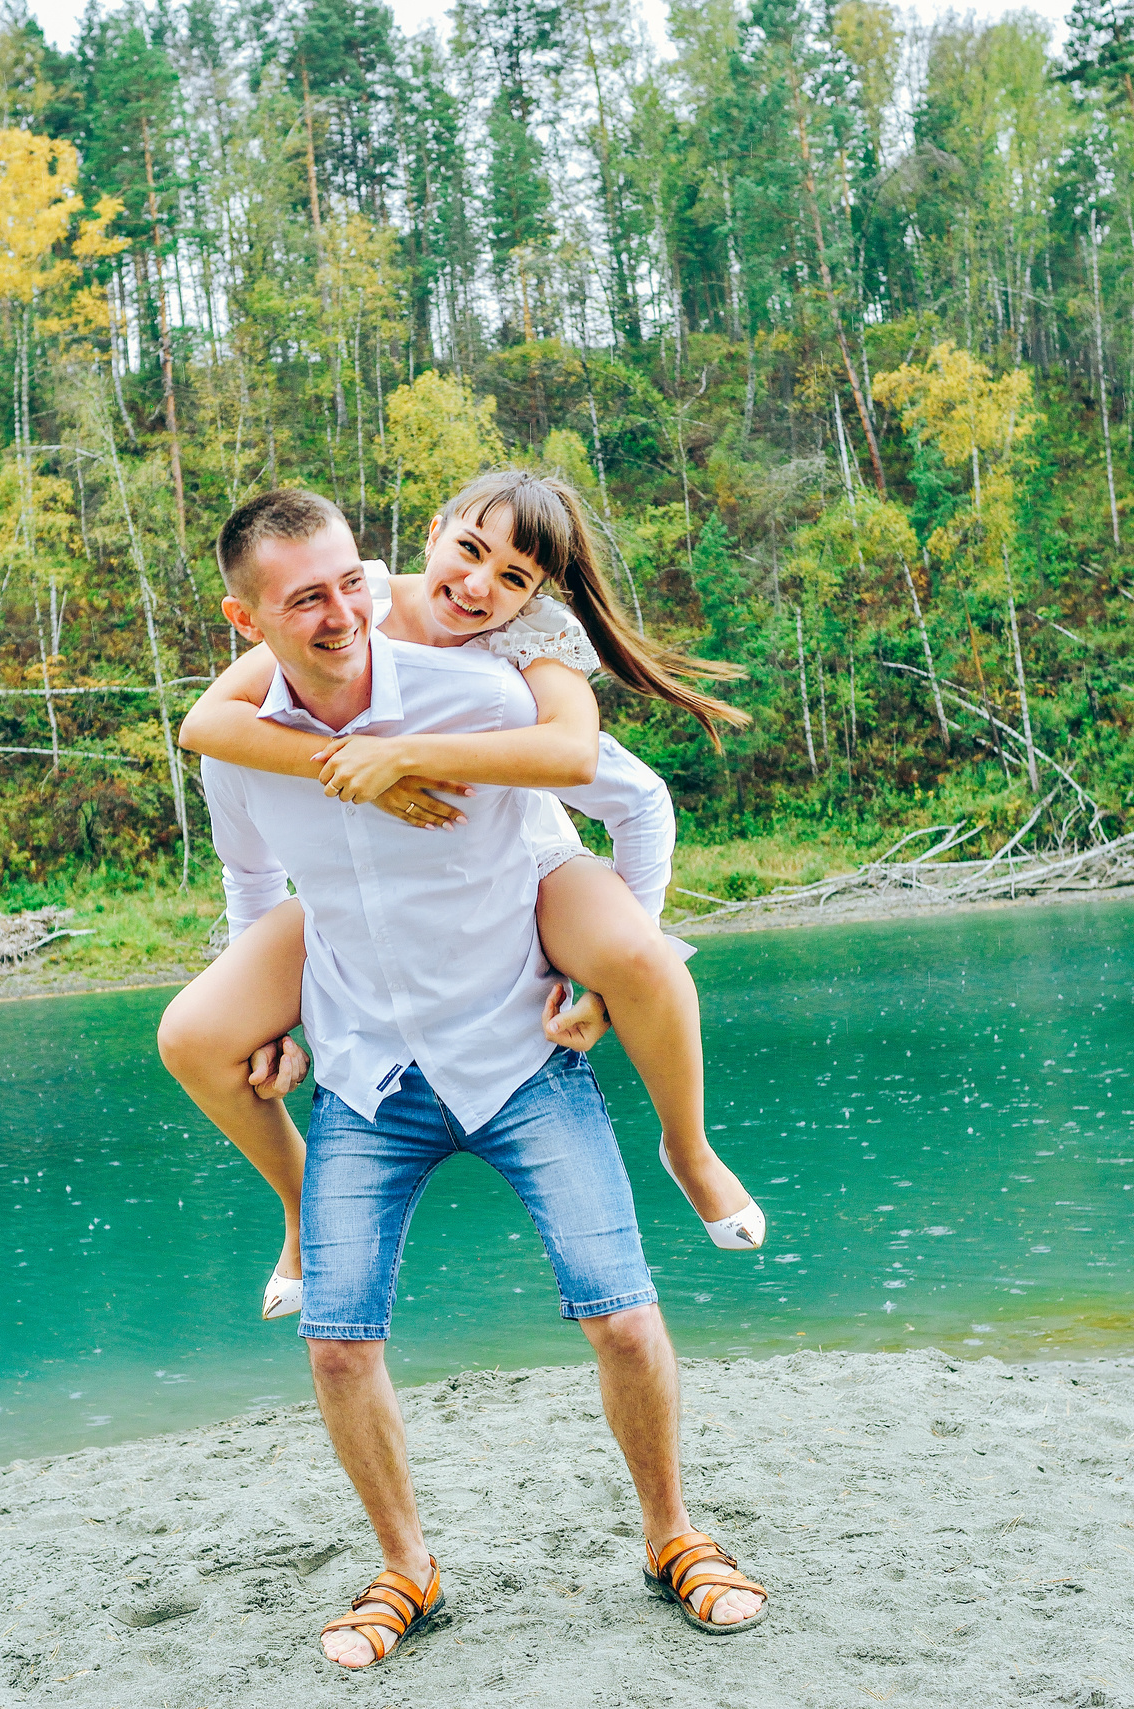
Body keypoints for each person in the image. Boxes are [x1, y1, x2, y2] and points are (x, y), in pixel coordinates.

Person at [172, 488, 770, 1668]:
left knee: (622, 1314)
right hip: (365, 1065)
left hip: (515, 1047)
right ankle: (406, 1567)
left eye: (350, 582)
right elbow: (249, 881)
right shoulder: (239, 745)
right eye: (305, 598)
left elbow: (623, 790)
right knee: (336, 1344)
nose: (341, 611)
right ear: (248, 620)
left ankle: (674, 1535)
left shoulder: (487, 691)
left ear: (371, 569)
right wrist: (271, 1015)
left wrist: (598, 971)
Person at [160, 470, 763, 1323]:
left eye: (514, 576)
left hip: (523, 857)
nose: (480, 586)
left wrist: (406, 757)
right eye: (470, 550)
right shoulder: (353, 601)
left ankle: (689, 1148)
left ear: (536, 592)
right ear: (435, 529)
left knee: (639, 955)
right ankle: (300, 1205)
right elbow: (207, 728)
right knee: (191, 1034)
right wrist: (357, 773)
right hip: (359, 890)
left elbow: (617, 786)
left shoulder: (526, 650)